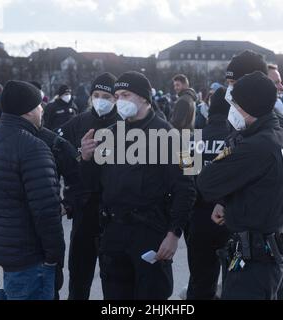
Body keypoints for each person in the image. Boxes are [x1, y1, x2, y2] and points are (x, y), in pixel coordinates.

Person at [81, 71, 196, 300]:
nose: (120, 101)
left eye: (126, 95)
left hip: (150, 232)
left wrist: (174, 233)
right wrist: (85, 159)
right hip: (114, 233)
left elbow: (188, 187)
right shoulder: (109, 134)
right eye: (117, 96)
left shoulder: (173, 135)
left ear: (144, 98)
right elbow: (93, 184)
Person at [197, 71, 283, 300]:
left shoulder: (256, 145)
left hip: (253, 261)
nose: (231, 111)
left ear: (249, 107)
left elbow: (206, 182)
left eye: (235, 105)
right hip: (274, 254)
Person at [0, 80, 65, 300]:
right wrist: (54, 256)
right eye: (39, 105)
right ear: (28, 110)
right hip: (26, 260)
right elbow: (46, 209)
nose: (42, 109)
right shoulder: (33, 147)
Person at [57, 72, 119, 300]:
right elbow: (58, 163)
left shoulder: (126, 123)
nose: (101, 100)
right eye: (96, 95)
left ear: (116, 98)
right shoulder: (77, 123)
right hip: (84, 210)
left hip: (114, 213)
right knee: (79, 277)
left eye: (106, 95)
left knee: (113, 279)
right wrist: (80, 157)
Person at [185, 87, 232, 300]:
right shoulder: (238, 138)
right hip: (230, 217)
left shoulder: (191, 139)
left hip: (198, 219)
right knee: (234, 281)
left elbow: (184, 181)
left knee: (200, 281)